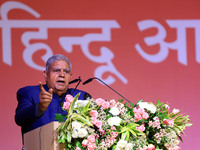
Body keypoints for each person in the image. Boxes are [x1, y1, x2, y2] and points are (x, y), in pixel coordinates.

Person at [15, 54, 91, 137]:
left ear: (70, 77)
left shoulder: (82, 97)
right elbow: (20, 119)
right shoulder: (30, 93)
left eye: (66, 71)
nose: (62, 74)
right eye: (56, 70)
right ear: (46, 74)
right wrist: (40, 107)